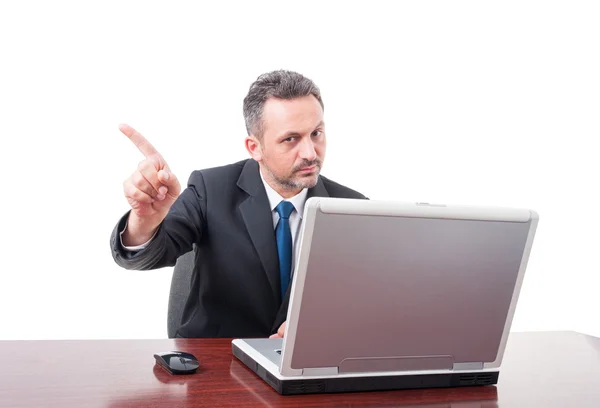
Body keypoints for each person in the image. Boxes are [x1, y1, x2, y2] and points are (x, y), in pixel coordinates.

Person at [110, 70, 367, 338]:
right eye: (291, 139)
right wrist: (143, 222)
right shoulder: (210, 190)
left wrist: (322, 330)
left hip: (308, 366)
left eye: (316, 133)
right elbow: (151, 253)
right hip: (218, 364)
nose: (310, 153)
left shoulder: (353, 209)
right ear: (254, 147)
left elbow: (370, 301)